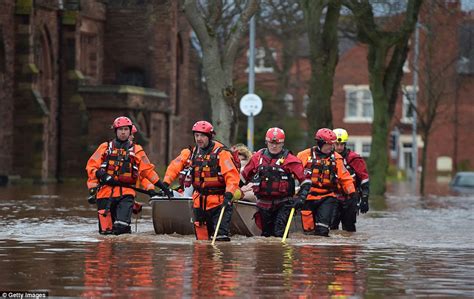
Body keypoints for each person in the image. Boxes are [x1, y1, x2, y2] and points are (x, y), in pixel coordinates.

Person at [86, 116, 172, 235]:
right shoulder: (104, 147)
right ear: (115, 131)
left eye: (126, 129)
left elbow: (147, 171)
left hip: (126, 194)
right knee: (106, 233)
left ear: (130, 131)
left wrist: (163, 187)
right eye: (120, 129)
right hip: (105, 193)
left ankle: (125, 249)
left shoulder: (137, 150)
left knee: (121, 228)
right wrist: (102, 175)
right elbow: (91, 166)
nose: (123, 132)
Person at [162, 120, 241, 241]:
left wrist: (229, 194)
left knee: (220, 239)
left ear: (210, 136)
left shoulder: (222, 153)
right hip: (199, 202)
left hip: (219, 203)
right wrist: (166, 183)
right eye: (196, 135)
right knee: (201, 242)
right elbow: (174, 166)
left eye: (203, 135)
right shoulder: (191, 153)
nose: (199, 139)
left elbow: (232, 176)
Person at [240, 127, 311, 237]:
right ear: (266, 142)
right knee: (266, 235)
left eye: (277, 143)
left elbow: (305, 181)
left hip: (283, 203)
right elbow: (243, 178)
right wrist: (236, 191)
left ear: (282, 144)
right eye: (271, 143)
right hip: (263, 204)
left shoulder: (290, 160)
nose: (274, 146)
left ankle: (282, 252)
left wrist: (301, 198)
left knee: (279, 234)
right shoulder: (257, 157)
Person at [296, 128, 356, 237]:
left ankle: (321, 252)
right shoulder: (303, 155)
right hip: (307, 197)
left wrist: (352, 194)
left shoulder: (337, 158)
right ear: (321, 143)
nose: (332, 147)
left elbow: (345, 177)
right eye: (330, 144)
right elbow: (293, 173)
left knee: (323, 231)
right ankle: (309, 253)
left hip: (327, 197)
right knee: (308, 231)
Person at [331, 128, 370, 232]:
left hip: (350, 198)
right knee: (330, 228)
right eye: (336, 144)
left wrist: (365, 199)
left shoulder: (354, 159)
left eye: (342, 144)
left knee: (349, 229)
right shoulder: (327, 158)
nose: (339, 147)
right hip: (332, 198)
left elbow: (364, 179)